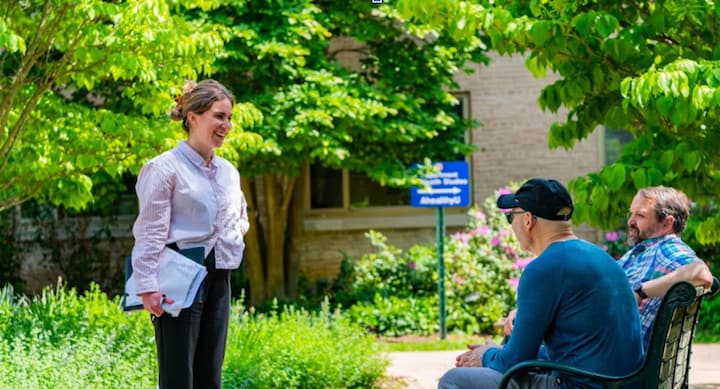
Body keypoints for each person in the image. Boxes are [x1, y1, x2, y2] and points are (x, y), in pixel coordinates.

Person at [438, 178, 644, 389]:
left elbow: (513, 362)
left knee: (454, 380)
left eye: (511, 217)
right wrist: (497, 353)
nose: (512, 224)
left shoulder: (544, 268)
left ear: (528, 220)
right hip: (621, 383)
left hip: (579, 385)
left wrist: (486, 355)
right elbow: (581, 345)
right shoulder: (601, 258)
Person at [131, 79, 249, 389]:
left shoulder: (228, 172)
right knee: (178, 374)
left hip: (219, 273)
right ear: (192, 117)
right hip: (178, 274)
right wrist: (146, 285)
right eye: (219, 116)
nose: (227, 125)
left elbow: (239, 216)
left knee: (210, 372)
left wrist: (232, 236)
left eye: (229, 117)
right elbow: (150, 232)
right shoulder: (164, 168)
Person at [619, 186, 713, 349]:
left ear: (667, 223)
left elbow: (701, 273)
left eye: (640, 215)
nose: (630, 221)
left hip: (613, 361)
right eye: (631, 213)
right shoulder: (646, 249)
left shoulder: (666, 248)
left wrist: (640, 291)